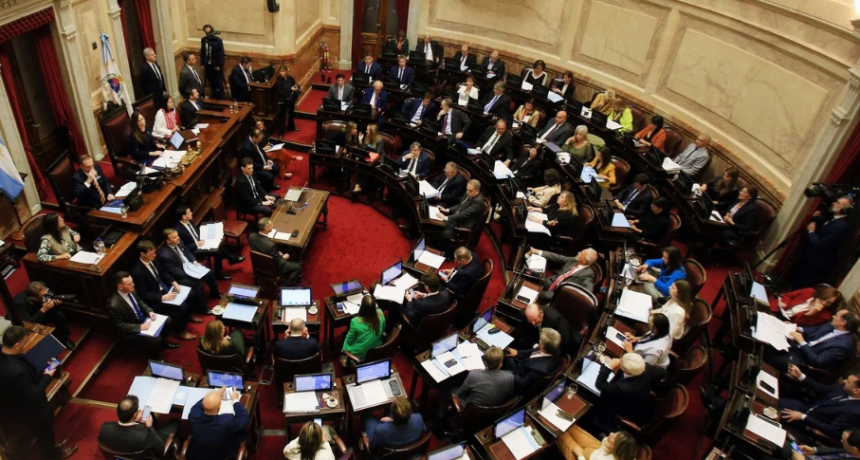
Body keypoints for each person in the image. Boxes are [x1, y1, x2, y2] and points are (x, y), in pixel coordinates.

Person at [0, 326, 77, 460]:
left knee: (42, 432)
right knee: (44, 433)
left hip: (14, 400)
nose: (26, 344)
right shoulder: (16, 372)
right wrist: (48, 375)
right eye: (24, 342)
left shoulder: (3, 352)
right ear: (17, 345)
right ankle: (52, 454)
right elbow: (33, 394)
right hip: (31, 410)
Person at [129, 240, 199, 338]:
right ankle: (180, 332)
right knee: (182, 306)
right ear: (142, 254)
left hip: (166, 288)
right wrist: (162, 297)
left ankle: (188, 315)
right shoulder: (137, 272)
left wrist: (173, 282)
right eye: (151, 254)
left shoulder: (153, 259)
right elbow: (143, 294)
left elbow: (163, 272)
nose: (154, 255)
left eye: (154, 252)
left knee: (190, 293)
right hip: (156, 297)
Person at [588, 352, 667, 435]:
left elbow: (600, 384)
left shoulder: (623, 388)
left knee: (596, 403)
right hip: (640, 403)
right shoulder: (646, 367)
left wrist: (609, 366)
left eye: (621, 362)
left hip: (626, 412)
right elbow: (663, 372)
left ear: (627, 371)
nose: (619, 360)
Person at [779, 366, 860, 441]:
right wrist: (800, 376)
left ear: (856, 391)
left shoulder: (854, 412)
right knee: (775, 401)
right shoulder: (845, 388)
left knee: (775, 413)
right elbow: (823, 389)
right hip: (805, 409)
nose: (844, 381)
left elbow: (832, 430)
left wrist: (803, 417)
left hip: (809, 425)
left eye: (848, 382)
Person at [766, 309, 859, 372]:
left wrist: (802, 342)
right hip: (797, 347)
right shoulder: (833, 325)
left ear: (843, 322)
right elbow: (815, 329)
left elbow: (817, 361)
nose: (833, 316)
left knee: (768, 355)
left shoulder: (843, 346)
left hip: (803, 361)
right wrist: (798, 328)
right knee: (768, 340)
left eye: (837, 316)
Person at [794, 196, 854, 288]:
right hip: (810, 257)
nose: (834, 203)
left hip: (817, 262)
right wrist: (815, 218)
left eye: (838, 203)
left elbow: (821, 244)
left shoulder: (841, 226)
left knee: (803, 285)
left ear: (845, 210)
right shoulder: (833, 218)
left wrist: (811, 232)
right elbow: (823, 231)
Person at [108, 271, 179, 348]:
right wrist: (140, 327)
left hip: (144, 318)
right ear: (120, 287)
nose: (133, 285)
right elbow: (121, 326)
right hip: (133, 327)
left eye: (132, 281)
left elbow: (139, 301)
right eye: (129, 284)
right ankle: (154, 357)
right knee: (156, 339)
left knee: (168, 320)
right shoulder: (114, 305)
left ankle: (163, 342)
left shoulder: (131, 290)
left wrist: (149, 311)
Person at [175, 205, 244, 281]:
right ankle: (227, 263)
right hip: (194, 251)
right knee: (218, 252)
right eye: (189, 212)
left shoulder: (190, 221)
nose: (191, 213)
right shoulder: (178, 230)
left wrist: (205, 236)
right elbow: (183, 248)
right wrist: (196, 245)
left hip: (201, 243)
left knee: (218, 248)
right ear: (184, 217)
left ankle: (229, 261)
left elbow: (196, 233)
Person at [98, 394, 179, 458]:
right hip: (148, 445)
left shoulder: (105, 428)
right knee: (174, 422)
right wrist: (150, 426)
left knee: (147, 411)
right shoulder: (145, 435)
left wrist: (137, 421)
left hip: (124, 449)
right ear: (135, 415)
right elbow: (160, 451)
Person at [157, 228, 222, 300]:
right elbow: (174, 271)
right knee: (198, 283)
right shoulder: (164, 255)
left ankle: (215, 293)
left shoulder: (179, 241)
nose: (178, 238)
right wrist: (191, 274)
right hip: (182, 275)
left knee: (209, 272)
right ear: (168, 241)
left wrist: (194, 261)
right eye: (174, 237)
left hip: (191, 266)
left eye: (177, 235)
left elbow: (187, 252)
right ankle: (202, 308)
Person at [187, 388, 250, 460]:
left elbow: (198, 406)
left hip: (200, 454)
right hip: (223, 455)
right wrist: (235, 400)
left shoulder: (193, 415)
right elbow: (244, 419)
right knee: (243, 434)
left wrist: (215, 395)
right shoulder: (226, 421)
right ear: (219, 406)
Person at [8, 281, 73, 348]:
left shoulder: (45, 292)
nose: (47, 296)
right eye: (43, 296)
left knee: (58, 315)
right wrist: (43, 309)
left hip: (42, 311)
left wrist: (55, 304)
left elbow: (52, 308)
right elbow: (29, 323)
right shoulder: (20, 304)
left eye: (47, 291)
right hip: (29, 320)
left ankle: (64, 338)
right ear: (33, 298)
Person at [529, 247, 598, 302]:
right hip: (552, 281)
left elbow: (587, 294)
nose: (578, 253)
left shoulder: (588, 275)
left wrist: (569, 294)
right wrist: (538, 252)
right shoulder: (574, 260)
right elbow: (557, 257)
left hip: (557, 293)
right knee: (531, 277)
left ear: (584, 261)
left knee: (534, 292)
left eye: (581, 254)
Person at [248, 218, 302, 286]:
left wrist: (275, 253)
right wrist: (284, 257)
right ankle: (285, 285)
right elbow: (279, 263)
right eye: (271, 225)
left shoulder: (251, 236)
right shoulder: (271, 246)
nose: (273, 226)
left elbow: (261, 248)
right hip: (273, 269)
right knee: (298, 267)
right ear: (267, 228)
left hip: (258, 265)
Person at [505, 327, 562, 392]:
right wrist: (517, 352)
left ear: (542, 347)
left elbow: (523, 383)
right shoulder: (554, 348)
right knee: (505, 350)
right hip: (524, 363)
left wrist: (510, 376)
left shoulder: (540, 369)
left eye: (540, 340)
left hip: (519, 374)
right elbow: (529, 352)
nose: (539, 340)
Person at [770, 284, 843, 328]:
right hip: (778, 310)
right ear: (820, 294)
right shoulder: (809, 291)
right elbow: (789, 295)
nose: (824, 303)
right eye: (824, 299)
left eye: (829, 302)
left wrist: (811, 313)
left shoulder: (825, 316)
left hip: (786, 322)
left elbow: (803, 326)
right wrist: (785, 303)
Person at [341, 295, 385, 361]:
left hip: (360, 354)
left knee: (345, 337)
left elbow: (350, 341)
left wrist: (344, 349)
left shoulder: (355, 322)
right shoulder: (380, 313)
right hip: (376, 349)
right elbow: (383, 329)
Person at [558, 429, 639, 460]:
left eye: (613, 439)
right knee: (570, 426)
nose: (610, 433)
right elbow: (606, 441)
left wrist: (580, 455)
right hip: (599, 447)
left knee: (561, 434)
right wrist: (607, 442)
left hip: (585, 457)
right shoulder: (628, 452)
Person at [200, 24, 225, 99]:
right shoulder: (204, 40)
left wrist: (219, 65)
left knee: (219, 82)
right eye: (205, 30)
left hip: (216, 65)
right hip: (207, 65)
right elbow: (202, 52)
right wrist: (202, 63)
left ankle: (221, 97)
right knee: (211, 82)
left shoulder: (218, 40)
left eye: (208, 29)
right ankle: (214, 95)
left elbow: (221, 53)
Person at [275, 65, 301, 134]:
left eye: (283, 71)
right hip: (283, 100)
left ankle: (291, 127)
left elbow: (294, 85)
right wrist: (290, 89)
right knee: (283, 116)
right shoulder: (279, 80)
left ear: (286, 71)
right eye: (280, 71)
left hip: (291, 99)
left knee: (291, 113)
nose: (281, 73)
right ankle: (281, 132)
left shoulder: (290, 78)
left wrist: (296, 88)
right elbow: (281, 92)